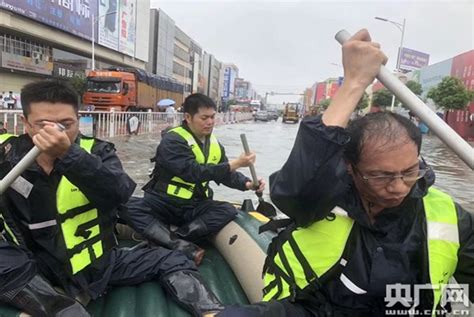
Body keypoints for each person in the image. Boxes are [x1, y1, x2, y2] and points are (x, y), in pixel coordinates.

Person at [217, 29, 473, 316]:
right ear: (351, 168)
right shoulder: (324, 198)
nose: (399, 186)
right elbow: (293, 190)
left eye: (409, 171)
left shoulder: (448, 214)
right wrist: (354, 83)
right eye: (382, 176)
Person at [0, 80, 224, 317]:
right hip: (33, 265)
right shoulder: (5, 154)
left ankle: (213, 312)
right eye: (43, 125)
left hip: (96, 263)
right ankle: (60, 307)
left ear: (79, 119)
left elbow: (119, 193)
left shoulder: (97, 152)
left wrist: (69, 155)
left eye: (66, 124)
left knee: (172, 260)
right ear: (25, 123)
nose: (56, 133)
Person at [124, 93, 265, 265]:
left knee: (227, 210)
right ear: (188, 117)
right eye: (204, 118)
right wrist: (236, 163)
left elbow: (225, 174)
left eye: (213, 117)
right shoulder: (172, 140)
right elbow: (193, 172)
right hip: (163, 203)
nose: (210, 122)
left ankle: (174, 240)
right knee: (125, 205)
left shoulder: (214, 144)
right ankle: (178, 245)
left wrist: (248, 184)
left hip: (194, 205)